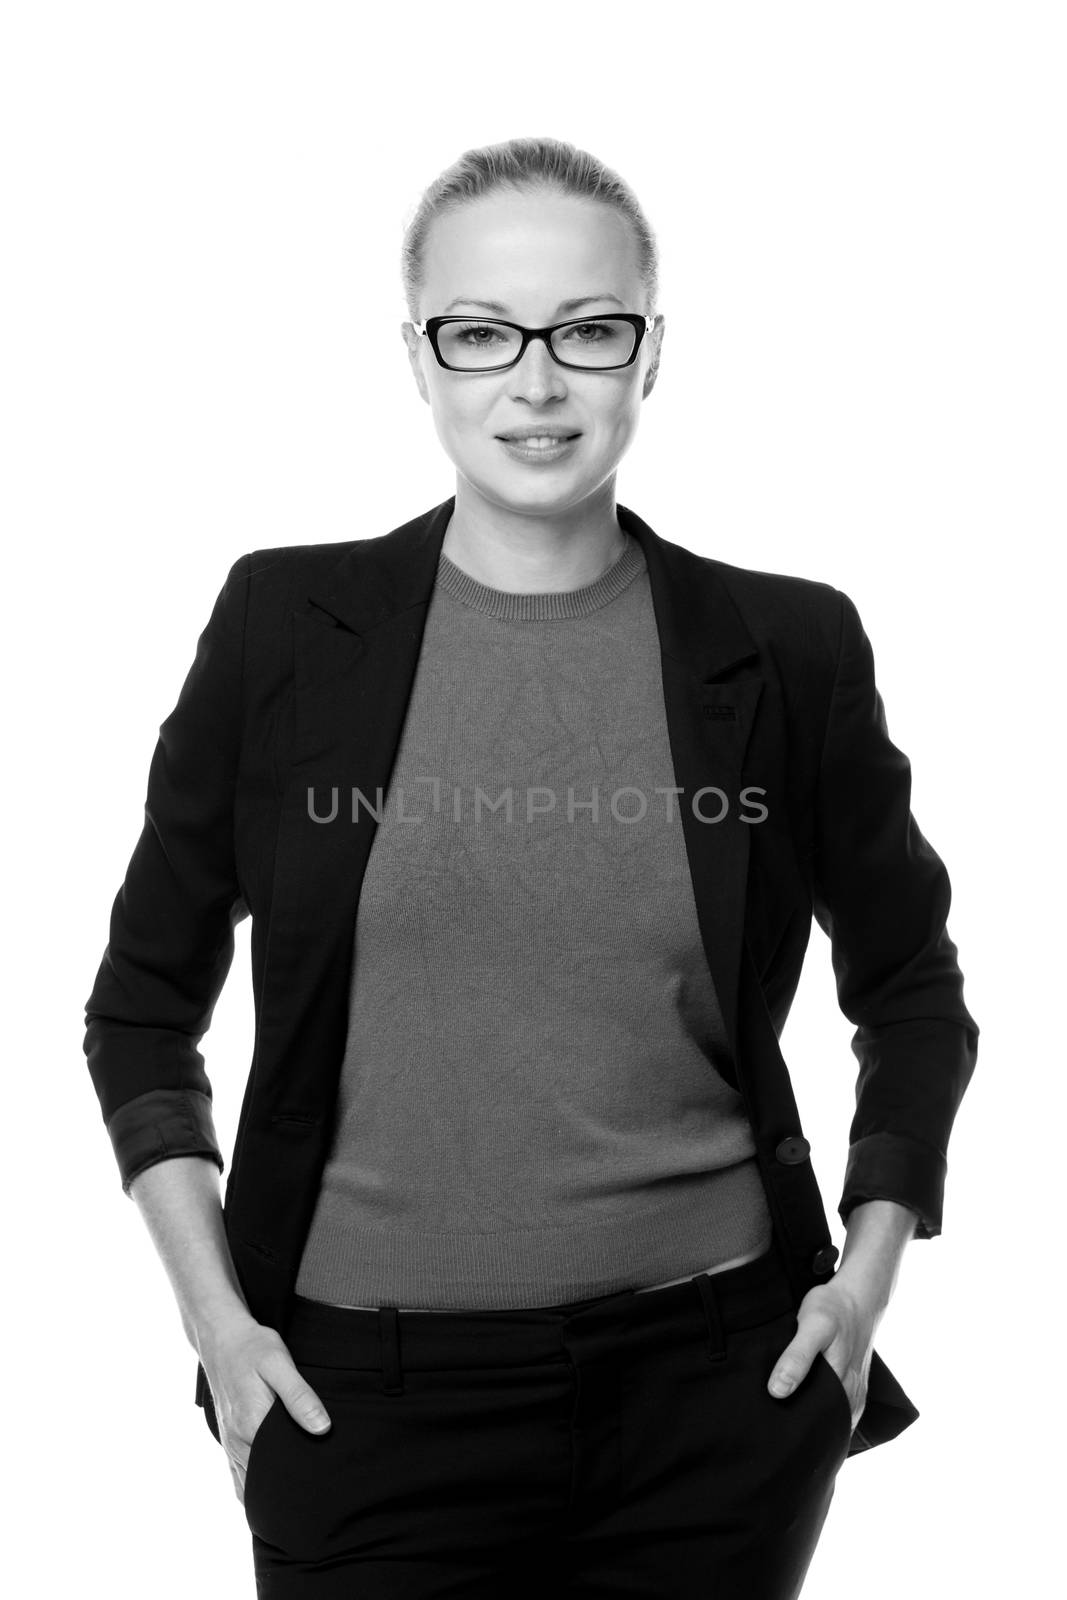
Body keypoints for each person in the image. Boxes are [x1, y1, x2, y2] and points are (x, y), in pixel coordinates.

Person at [83, 135, 979, 1599]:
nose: (538, 380)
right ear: (420, 358)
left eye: (589, 329)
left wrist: (865, 1280)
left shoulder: (786, 650)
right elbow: (137, 1010)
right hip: (357, 1397)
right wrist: (216, 1325)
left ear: (650, 353)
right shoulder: (285, 629)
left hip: (717, 1390)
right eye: (484, 333)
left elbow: (914, 990)